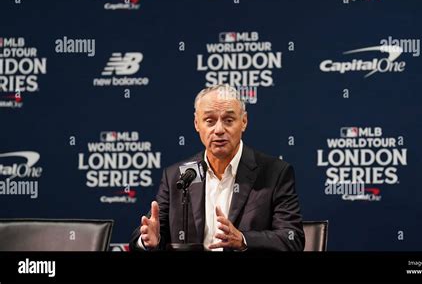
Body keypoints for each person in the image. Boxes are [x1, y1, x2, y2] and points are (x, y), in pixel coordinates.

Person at [129, 84, 304, 251]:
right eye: (209, 121)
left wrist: (243, 240)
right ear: (197, 124)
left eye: (228, 120)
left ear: (244, 121)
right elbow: (148, 233)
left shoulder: (275, 173)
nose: (219, 129)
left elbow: (292, 237)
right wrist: (148, 240)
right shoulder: (179, 175)